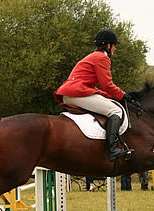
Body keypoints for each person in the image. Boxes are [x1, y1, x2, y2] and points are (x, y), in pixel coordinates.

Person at [54, 29, 133, 161]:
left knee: (108, 104)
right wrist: (122, 95)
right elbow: (107, 84)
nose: (115, 49)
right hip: (77, 93)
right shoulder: (103, 58)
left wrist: (109, 96)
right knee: (116, 111)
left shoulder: (92, 56)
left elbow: (93, 88)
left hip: (69, 93)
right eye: (114, 46)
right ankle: (112, 149)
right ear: (108, 46)